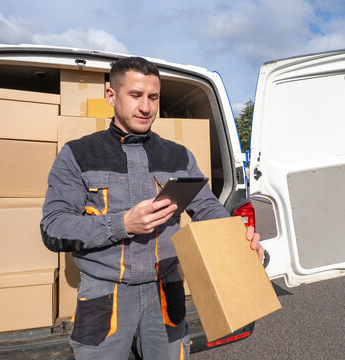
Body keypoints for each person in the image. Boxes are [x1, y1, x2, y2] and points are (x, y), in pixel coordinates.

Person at [40, 56, 263, 360]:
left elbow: (209, 209)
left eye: (153, 97)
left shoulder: (178, 156)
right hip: (105, 296)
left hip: (165, 291)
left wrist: (239, 240)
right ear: (111, 95)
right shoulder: (78, 154)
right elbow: (54, 228)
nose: (146, 107)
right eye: (135, 95)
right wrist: (124, 224)